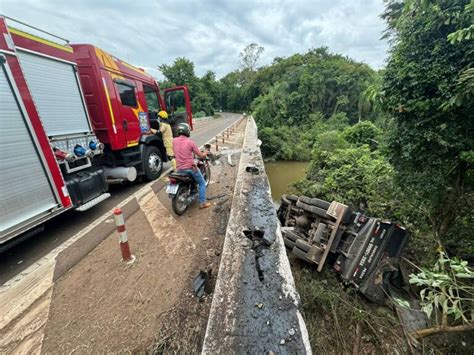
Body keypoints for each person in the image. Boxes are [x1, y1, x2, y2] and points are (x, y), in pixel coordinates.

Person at [172, 123, 212, 209]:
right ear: (187, 131)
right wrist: (205, 153)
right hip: (190, 168)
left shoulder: (174, 141)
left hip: (179, 169)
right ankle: (203, 203)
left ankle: (192, 190)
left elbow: (175, 152)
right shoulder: (190, 143)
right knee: (201, 183)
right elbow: (201, 156)